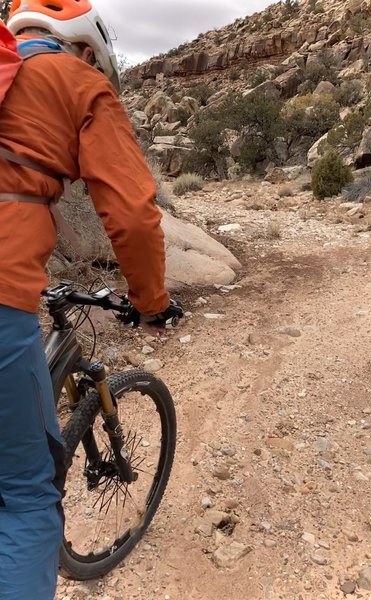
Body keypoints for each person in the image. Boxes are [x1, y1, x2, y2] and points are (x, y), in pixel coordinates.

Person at [0, 1, 181, 598]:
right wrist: (151, 302)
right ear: (86, 51)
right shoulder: (78, 82)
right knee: (24, 496)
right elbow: (131, 212)